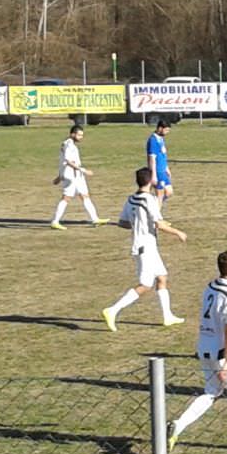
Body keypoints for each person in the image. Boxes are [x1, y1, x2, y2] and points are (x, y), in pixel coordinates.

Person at [168, 250, 227, 450]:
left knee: (211, 392)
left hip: (204, 347)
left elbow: (214, 320)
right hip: (223, 351)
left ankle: (178, 425)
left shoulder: (210, 287)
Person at [103, 167, 188, 330]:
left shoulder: (131, 199)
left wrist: (138, 225)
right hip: (146, 247)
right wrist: (178, 232)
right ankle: (113, 310)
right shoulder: (149, 200)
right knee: (145, 285)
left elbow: (122, 223)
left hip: (145, 245)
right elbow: (158, 224)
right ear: (150, 181)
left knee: (162, 277)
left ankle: (167, 316)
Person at [50, 123, 100, 227]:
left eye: (82, 135)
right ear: (72, 134)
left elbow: (63, 161)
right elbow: (68, 161)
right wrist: (83, 170)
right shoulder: (69, 144)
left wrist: (59, 177)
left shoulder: (69, 144)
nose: (81, 137)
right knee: (66, 198)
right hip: (72, 175)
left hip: (75, 175)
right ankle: (55, 221)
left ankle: (95, 219)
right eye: (79, 135)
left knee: (85, 195)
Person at [145, 118, 174, 201]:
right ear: (160, 128)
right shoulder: (153, 141)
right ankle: (154, 210)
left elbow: (163, 155)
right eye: (166, 130)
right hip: (157, 172)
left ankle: (152, 204)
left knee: (169, 192)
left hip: (163, 171)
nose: (167, 132)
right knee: (160, 195)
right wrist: (153, 175)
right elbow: (152, 159)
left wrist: (166, 168)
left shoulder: (161, 138)